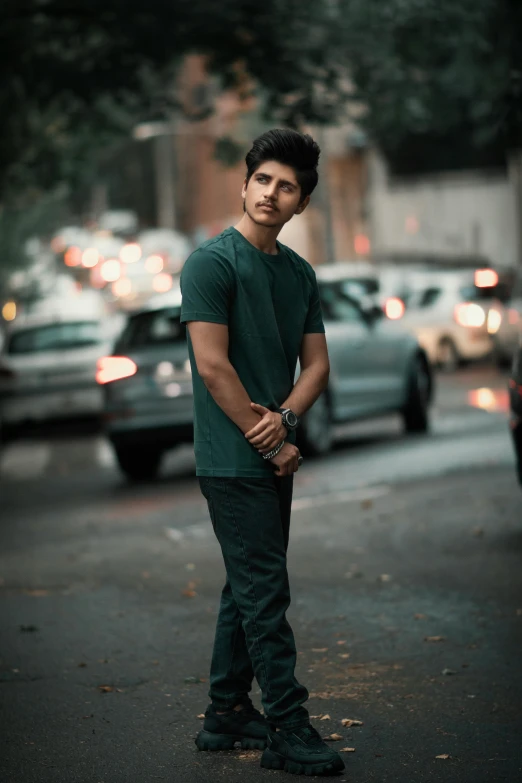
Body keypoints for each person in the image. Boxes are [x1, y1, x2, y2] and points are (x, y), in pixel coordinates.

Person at [180, 129, 344, 776]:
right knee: (265, 592)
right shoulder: (210, 264)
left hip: (270, 444)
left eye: (288, 186)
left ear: (302, 202)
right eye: (264, 180)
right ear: (244, 184)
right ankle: (287, 725)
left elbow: (318, 366)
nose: (272, 193)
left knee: (245, 586)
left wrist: (285, 420)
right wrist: (272, 440)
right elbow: (214, 368)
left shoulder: (298, 273)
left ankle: (225, 713)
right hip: (230, 458)